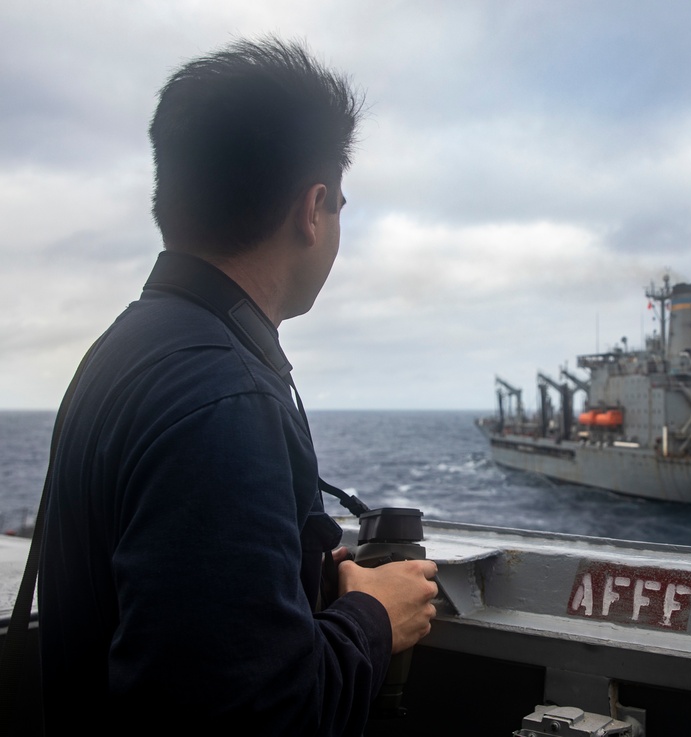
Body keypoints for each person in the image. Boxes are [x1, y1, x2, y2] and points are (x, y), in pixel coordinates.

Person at [37, 38, 438, 734]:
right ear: (311, 209)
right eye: (338, 203)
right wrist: (374, 617)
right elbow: (251, 714)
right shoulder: (225, 399)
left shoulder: (127, 349)